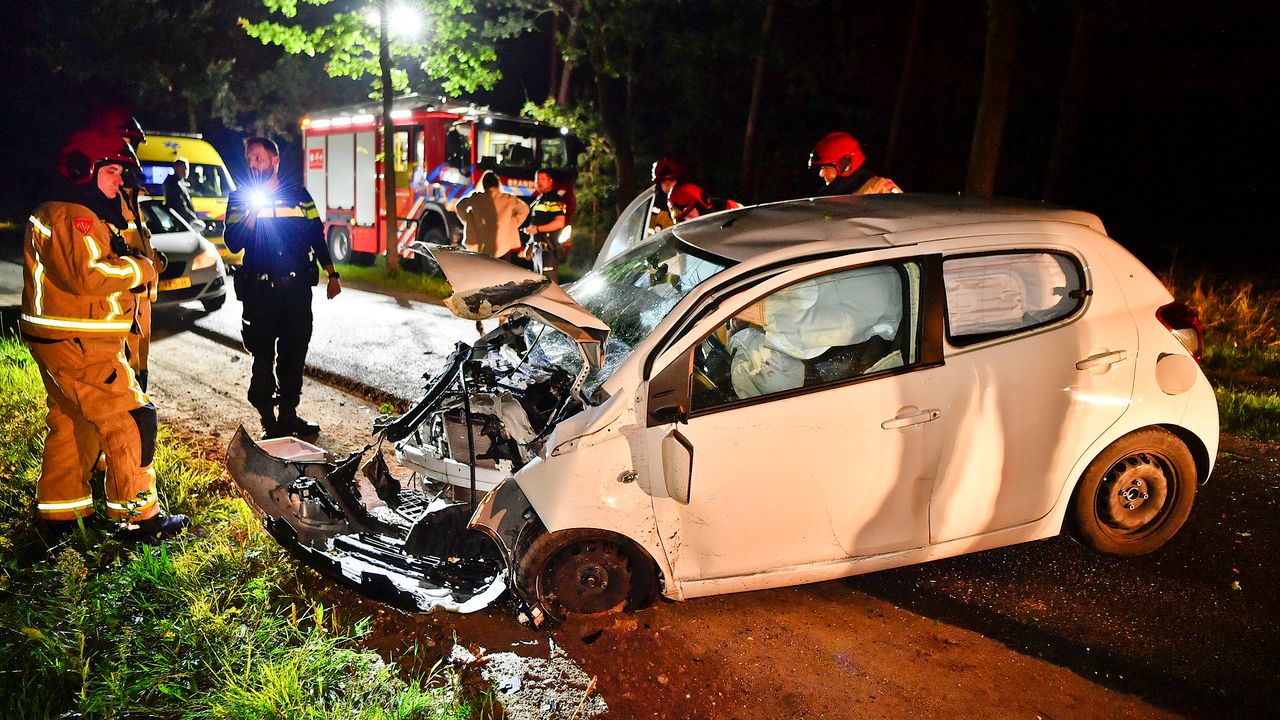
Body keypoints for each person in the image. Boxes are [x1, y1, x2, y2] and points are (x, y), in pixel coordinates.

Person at [22, 130, 188, 542]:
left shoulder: (66, 211)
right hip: (82, 345)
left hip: (65, 341)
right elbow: (89, 276)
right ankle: (139, 519)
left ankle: (59, 517)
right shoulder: (70, 216)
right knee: (132, 419)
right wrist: (143, 270)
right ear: (81, 170)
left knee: (72, 423)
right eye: (111, 170)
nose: (119, 179)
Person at [224, 136, 341, 439]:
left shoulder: (299, 195)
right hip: (260, 293)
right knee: (262, 359)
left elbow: (317, 234)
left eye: (259, 158)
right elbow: (233, 242)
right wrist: (250, 214)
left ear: (275, 161)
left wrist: (332, 272)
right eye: (250, 159)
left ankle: (289, 416)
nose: (253, 164)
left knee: (293, 355)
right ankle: (268, 422)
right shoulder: (239, 199)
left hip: (296, 292)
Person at [455, 171, 530, 258]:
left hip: (480, 246)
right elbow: (525, 209)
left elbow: (459, 206)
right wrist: (512, 223)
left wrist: (469, 219)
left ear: (483, 184)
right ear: (498, 184)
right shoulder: (508, 198)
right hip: (504, 246)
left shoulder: (476, 198)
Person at [808, 131, 902, 196]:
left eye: (827, 167)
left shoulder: (879, 189)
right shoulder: (830, 194)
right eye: (821, 168)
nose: (822, 174)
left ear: (846, 165)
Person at [521, 168, 573, 282]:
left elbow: (559, 222)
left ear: (550, 181)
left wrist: (538, 229)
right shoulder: (538, 200)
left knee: (549, 287)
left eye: (542, 179)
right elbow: (534, 225)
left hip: (549, 251)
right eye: (537, 179)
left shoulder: (554, 199)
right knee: (538, 286)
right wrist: (529, 245)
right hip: (537, 250)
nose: (539, 182)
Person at [667, 181, 742, 223]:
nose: (687, 220)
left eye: (689, 213)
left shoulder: (733, 210)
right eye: (683, 218)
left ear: (701, 205)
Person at [648, 155, 686, 235]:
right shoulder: (651, 211)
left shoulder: (688, 205)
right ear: (658, 184)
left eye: (672, 180)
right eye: (664, 182)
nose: (668, 185)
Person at [163, 157, 203, 230]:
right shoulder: (173, 184)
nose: (186, 171)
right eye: (183, 168)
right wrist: (194, 219)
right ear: (176, 168)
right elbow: (180, 206)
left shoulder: (180, 183)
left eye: (186, 168)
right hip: (180, 222)